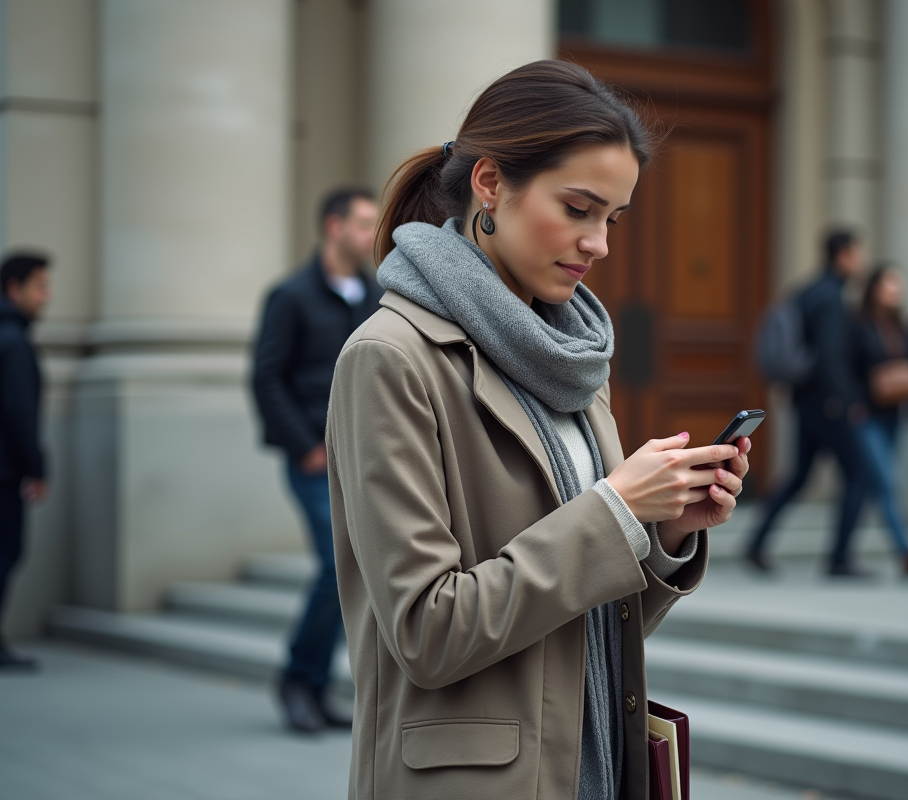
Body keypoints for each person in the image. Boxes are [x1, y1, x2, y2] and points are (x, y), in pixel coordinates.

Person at [326, 60, 751, 799]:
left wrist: (663, 535)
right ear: (490, 185)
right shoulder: (388, 358)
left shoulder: (571, 361)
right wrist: (614, 512)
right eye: (579, 209)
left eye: (612, 219)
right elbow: (429, 633)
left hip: (591, 765)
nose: (599, 244)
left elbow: (583, 621)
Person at [251, 187, 382, 732]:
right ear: (333, 227)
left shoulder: (377, 295)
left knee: (357, 570)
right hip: (313, 460)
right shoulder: (291, 295)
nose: (373, 236)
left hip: (366, 459)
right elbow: (267, 375)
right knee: (335, 567)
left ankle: (316, 684)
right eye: (362, 224)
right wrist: (305, 444)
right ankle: (298, 680)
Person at [744, 229, 869, 577]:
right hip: (827, 403)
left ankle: (756, 543)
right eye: (858, 252)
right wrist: (846, 400)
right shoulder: (830, 298)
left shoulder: (807, 291)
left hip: (806, 401)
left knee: (799, 476)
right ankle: (840, 558)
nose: (861, 260)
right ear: (843, 254)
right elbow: (830, 357)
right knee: (859, 475)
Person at [851, 265, 908, 577]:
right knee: (886, 481)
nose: (896, 289)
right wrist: (853, 402)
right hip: (866, 415)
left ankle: (840, 552)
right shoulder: (859, 325)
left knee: (865, 485)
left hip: (895, 413)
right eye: (889, 283)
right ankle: (906, 550)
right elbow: (847, 365)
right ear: (875, 288)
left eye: (899, 283)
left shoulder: (904, 327)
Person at [0, 251, 52, 671]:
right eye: (41, 286)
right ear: (13, 288)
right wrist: (36, 467)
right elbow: (19, 411)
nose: (47, 297)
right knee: (5, 553)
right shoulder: (14, 341)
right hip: (4, 473)